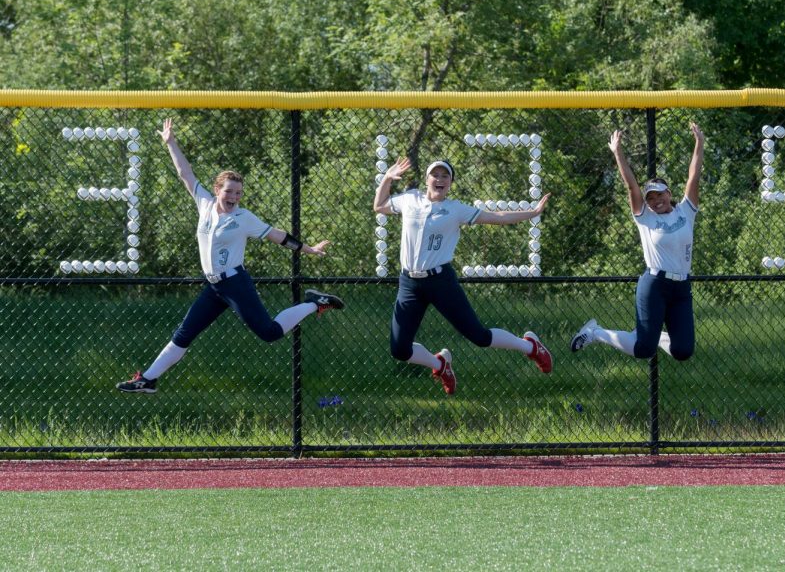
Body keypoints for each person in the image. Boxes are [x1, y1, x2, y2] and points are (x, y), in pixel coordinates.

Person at [116, 119, 344, 394]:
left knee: (270, 333)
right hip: (214, 286)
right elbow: (184, 173)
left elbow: (277, 235)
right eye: (229, 191)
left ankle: (313, 302)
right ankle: (148, 379)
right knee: (184, 334)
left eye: (238, 192)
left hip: (235, 283)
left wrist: (309, 249)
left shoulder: (243, 217)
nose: (234, 196)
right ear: (217, 190)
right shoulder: (204, 204)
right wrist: (171, 143)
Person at [373, 157, 553, 396]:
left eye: (445, 176)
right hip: (410, 284)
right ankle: (440, 365)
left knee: (480, 336)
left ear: (450, 183)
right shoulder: (409, 200)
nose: (439, 179)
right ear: (427, 179)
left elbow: (496, 218)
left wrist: (533, 212)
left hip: (440, 282)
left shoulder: (456, 209)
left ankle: (529, 346)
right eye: (434, 175)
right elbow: (379, 205)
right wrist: (387, 178)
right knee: (399, 350)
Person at [570, 122, 704, 361]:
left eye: (660, 194)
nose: (656, 200)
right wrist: (618, 153)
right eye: (651, 197)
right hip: (655, 285)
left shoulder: (685, 211)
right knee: (643, 350)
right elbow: (631, 185)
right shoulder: (646, 218)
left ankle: (651, 335)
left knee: (683, 351)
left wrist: (699, 144)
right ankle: (596, 332)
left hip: (681, 288)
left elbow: (694, 177)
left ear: (669, 193)